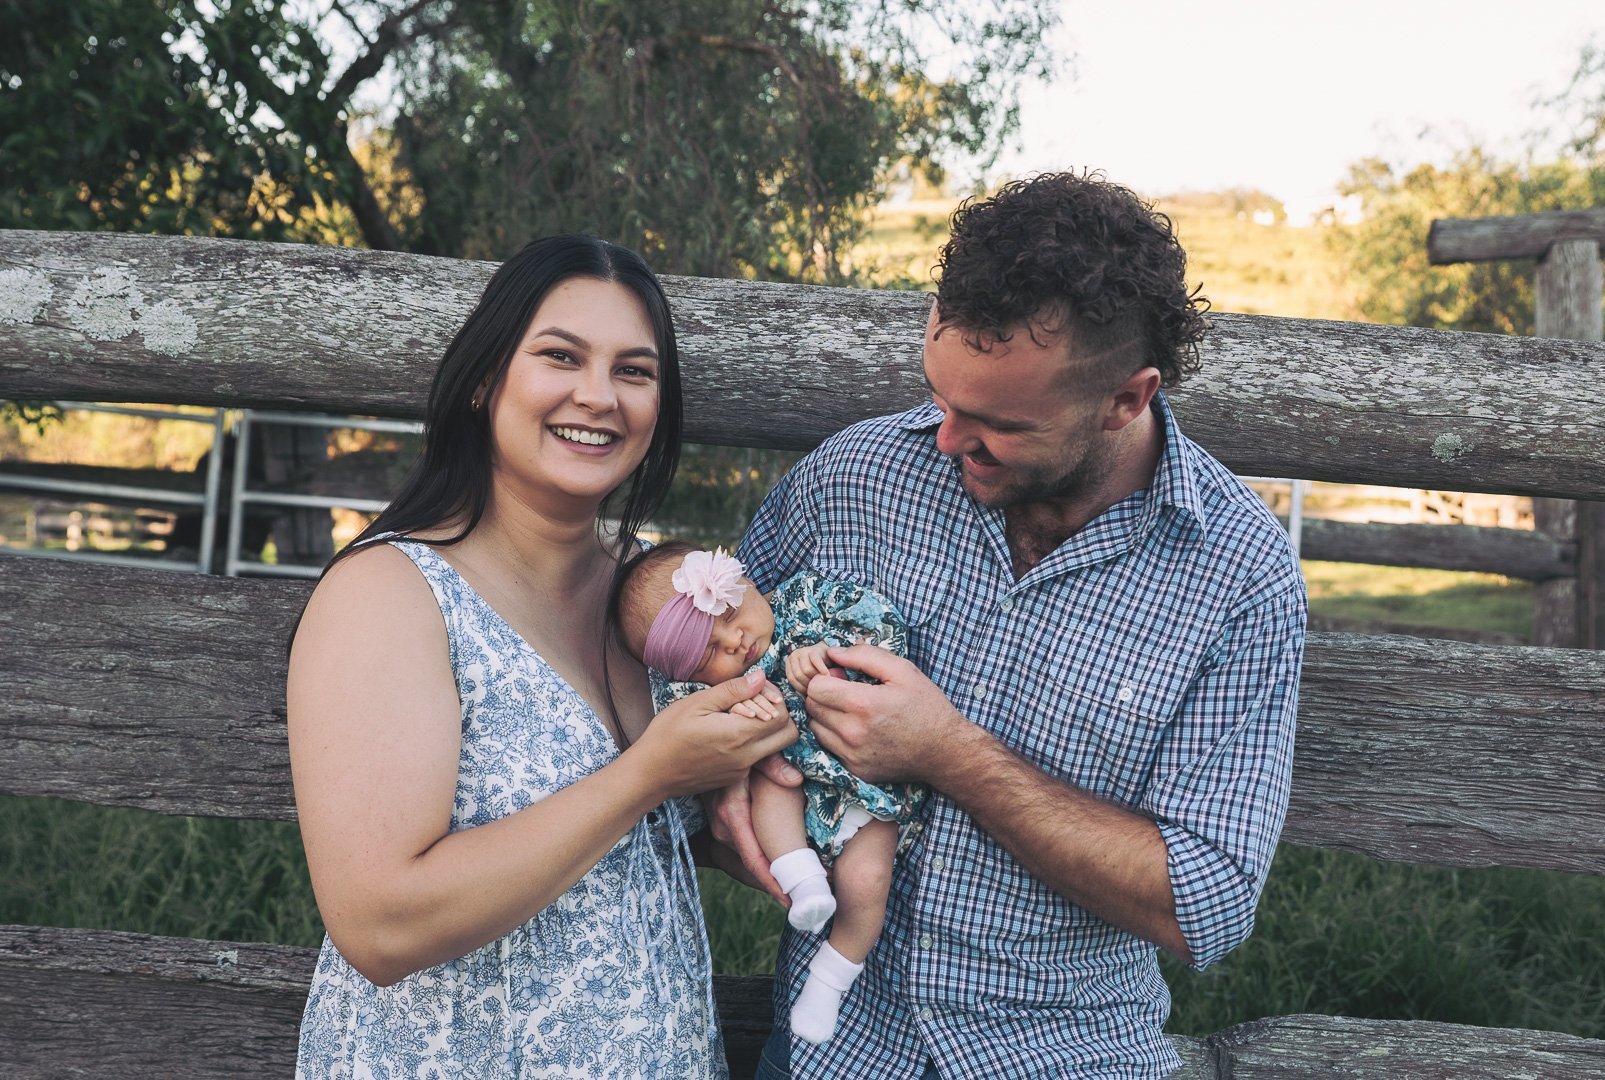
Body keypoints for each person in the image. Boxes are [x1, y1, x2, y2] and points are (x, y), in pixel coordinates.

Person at [716, 171, 1309, 1079]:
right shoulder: (852, 479)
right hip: (830, 1052)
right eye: (942, 398)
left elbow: (1207, 903)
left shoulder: (1238, 574)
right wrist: (722, 792)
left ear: (1126, 399)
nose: (947, 440)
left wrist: (946, 750)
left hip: (1063, 1058)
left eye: (998, 423)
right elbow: (706, 664)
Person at [285, 234, 798, 1079]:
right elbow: (380, 926)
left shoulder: (659, 602)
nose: (599, 396)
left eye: (634, 372)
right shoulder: (392, 592)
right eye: (561, 356)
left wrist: (752, 833)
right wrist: (649, 775)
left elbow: (625, 844)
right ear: (487, 379)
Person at [611, 542, 928, 1043]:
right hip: (791, 779)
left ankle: (830, 977)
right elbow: (690, 734)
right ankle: (804, 883)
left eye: (732, 615)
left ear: (748, 582)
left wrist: (828, 656)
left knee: (868, 880)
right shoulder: (696, 692)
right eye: (708, 654)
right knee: (770, 786)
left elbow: (883, 627)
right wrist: (736, 720)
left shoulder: (806, 603)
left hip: (864, 784)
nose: (734, 642)